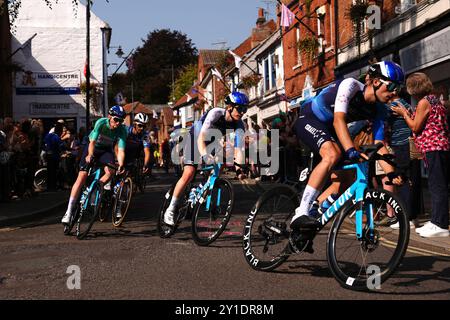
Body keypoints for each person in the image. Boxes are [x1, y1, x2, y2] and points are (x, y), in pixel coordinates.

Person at [290, 61, 405, 231]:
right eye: (392, 86)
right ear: (375, 82)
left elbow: (379, 144)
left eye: (399, 89)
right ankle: (301, 212)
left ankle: (316, 211)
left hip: (329, 128)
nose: (394, 93)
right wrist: (350, 150)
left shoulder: (380, 110)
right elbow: (339, 120)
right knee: (332, 154)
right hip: (310, 118)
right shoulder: (351, 86)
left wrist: (391, 172)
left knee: (348, 176)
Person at [163, 91, 249, 226]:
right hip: (196, 138)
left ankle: (201, 187)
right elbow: (201, 138)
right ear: (229, 107)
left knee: (219, 165)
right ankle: (171, 208)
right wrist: (204, 155)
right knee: (189, 172)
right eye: (240, 108)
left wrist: (239, 170)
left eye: (245, 109)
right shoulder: (216, 113)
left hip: (213, 142)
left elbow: (239, 150)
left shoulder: (239, 125)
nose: (242, 112)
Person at [391, 72, 449, 237]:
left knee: (437, 185)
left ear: (413, 88)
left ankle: (440, 223)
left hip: (434, 148)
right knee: (438, 184)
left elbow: (415, 127)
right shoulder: (434, 99)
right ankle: (437, 221)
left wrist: (403, 114)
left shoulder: (424, 102)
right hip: (439, 148)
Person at [61, 106, 127, 226]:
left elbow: (121, 150)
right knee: (82, 176)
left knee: (111, 172)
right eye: (116, 120)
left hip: (105, 150)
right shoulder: (101, 123)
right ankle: (69, 211)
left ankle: (95, 190)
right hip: (93, 147)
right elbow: (92, 142)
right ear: (109, 117)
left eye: (121, 121)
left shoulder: (122, 130)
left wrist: (121, 164)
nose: (118, 123)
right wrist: (90, 155)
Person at [43, 122, 65, 191]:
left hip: (48, 156)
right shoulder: (56, 137)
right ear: (60, 131)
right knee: (54, 172)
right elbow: (61, 147)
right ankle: (53, 187)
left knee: (49, 172)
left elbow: (43, 145)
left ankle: (49, 187)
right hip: (54, 157)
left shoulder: (48, 135)